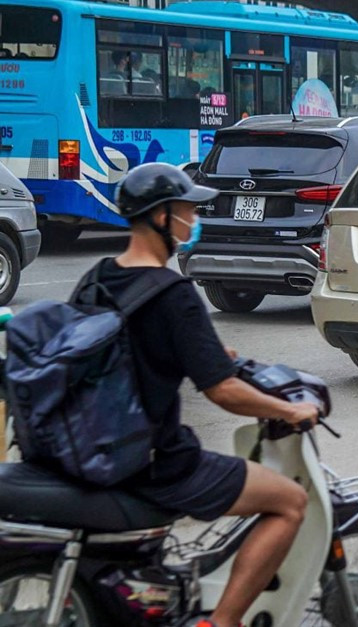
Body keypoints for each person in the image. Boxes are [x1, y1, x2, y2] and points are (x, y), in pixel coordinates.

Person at [96, 163, 320, 627]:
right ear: (162, 218)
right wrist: (288, 409)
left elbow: (130, 348)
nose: (194, 218)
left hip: (100, 446)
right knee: (289, 501)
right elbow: (224, 391)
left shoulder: (99, 278)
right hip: (156, 461)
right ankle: (223, 621)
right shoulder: (173, 293)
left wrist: (200, 350)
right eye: (186, 210)